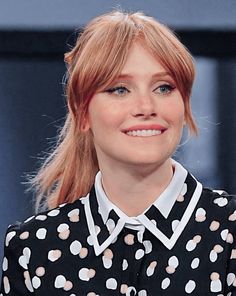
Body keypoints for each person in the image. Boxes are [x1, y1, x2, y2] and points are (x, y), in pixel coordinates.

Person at [1, 10, 236, 296]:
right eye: (120, 89)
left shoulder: (229, 232)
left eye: (164, 87)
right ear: (82, 113)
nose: (146, 106)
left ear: (184, 106)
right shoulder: (32, 248)